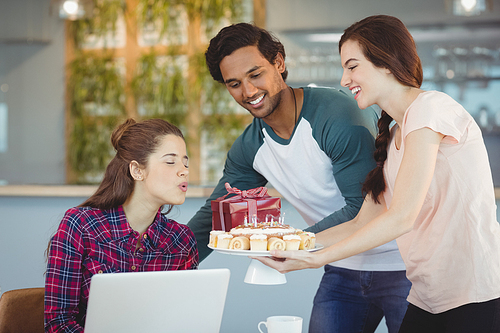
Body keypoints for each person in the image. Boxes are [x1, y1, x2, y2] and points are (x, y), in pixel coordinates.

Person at [255, 15, 500, 333]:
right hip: (428, 297)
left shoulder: (431, 110)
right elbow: (362, 221)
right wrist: (292, 243)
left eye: (352, 66)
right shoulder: (397, 133)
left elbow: (402, 217)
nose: (344, 79)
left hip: (474, 296)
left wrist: (318, 259)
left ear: (386, 61)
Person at [187, 23, 411, 332]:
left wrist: (286, 242)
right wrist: (166, 260)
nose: (248, 92)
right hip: (342, 268)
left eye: (255, 75)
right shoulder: (250, 147)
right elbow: (215, 217)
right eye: (234, 83)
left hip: (403, 265)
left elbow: (364, 207)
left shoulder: (337, 115)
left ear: (278, 62)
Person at [44, 118, 199, 332]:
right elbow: (58, 324)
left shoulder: (182, 240)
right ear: (137, 171)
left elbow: (184, 322)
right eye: (171, 162)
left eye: (185, 162)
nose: (184, 171)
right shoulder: (80, 225)